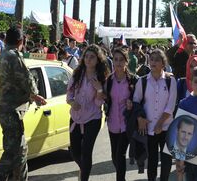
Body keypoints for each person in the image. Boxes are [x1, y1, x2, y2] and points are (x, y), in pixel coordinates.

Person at [0, 26, 47, 181]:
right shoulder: (14, 56)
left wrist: (32, 96)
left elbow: (11, 82)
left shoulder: (2, 56)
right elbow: (28, 80)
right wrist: (35, 94)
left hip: (4, 108)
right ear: (21, 41)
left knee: (21, 150)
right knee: (12, 151)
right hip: (12, 111)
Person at [67, 44, 110, 181]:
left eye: (92, 57)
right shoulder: (77, 73)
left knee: (86, 151)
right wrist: (72, 102)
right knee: (74, 152)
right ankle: (84, 169)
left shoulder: (101, 77)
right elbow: (69, 93)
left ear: (98, 60)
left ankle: (84, 177)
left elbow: (99, 103)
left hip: (93, 118)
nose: (88, 59)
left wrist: (99, 90)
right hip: (76, 117)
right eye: (86, 56)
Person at [133, 49, 177, 181]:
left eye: (157, 59)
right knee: (152, 160)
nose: (153, 62)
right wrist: (140, 118)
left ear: (163, 63)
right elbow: (136, 100)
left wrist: (160, 124)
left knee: (166, 160)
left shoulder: (170, 81)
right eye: (151, 59)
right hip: (149, 128)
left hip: (166, 128)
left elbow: (170, 106)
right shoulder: (143, 81)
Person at [105, 48, 138, 181]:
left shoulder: (133, 80)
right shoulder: (109, 80)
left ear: (126, 62)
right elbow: (104, 99)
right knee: (114, 156)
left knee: (120, 154)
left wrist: (133, 103)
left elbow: (140, 99)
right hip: (112, 122)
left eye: (121, 60)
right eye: (115, 59)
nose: (118, 63)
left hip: (127, 124)